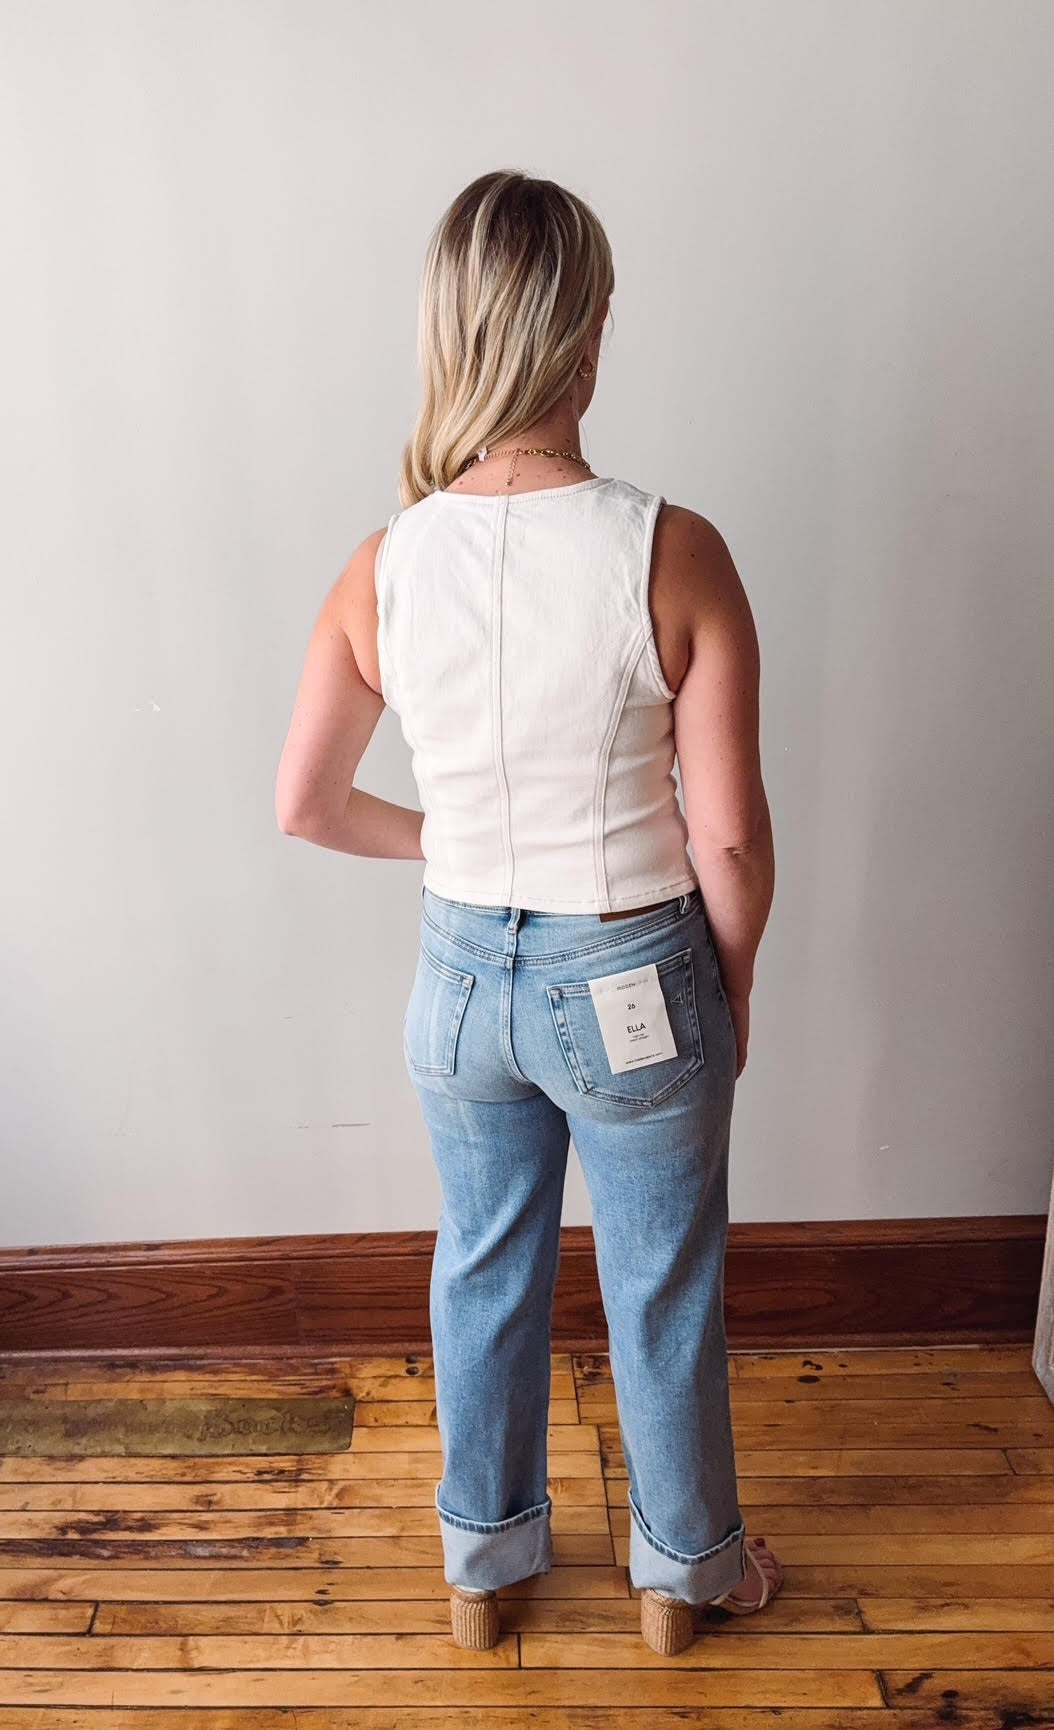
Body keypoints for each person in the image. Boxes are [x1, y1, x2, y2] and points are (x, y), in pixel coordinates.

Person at [275, 169, 781, 1658]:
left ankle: (482, 1577)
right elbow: (730, 833)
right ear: (589, 332)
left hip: (456, 978)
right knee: (660, 1276)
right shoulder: (665, 547)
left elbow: (303, 801)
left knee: (481, 1260)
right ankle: (684, 1578)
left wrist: (455, 842)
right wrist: (731, 984)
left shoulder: (385, 563)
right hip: (629, 966)